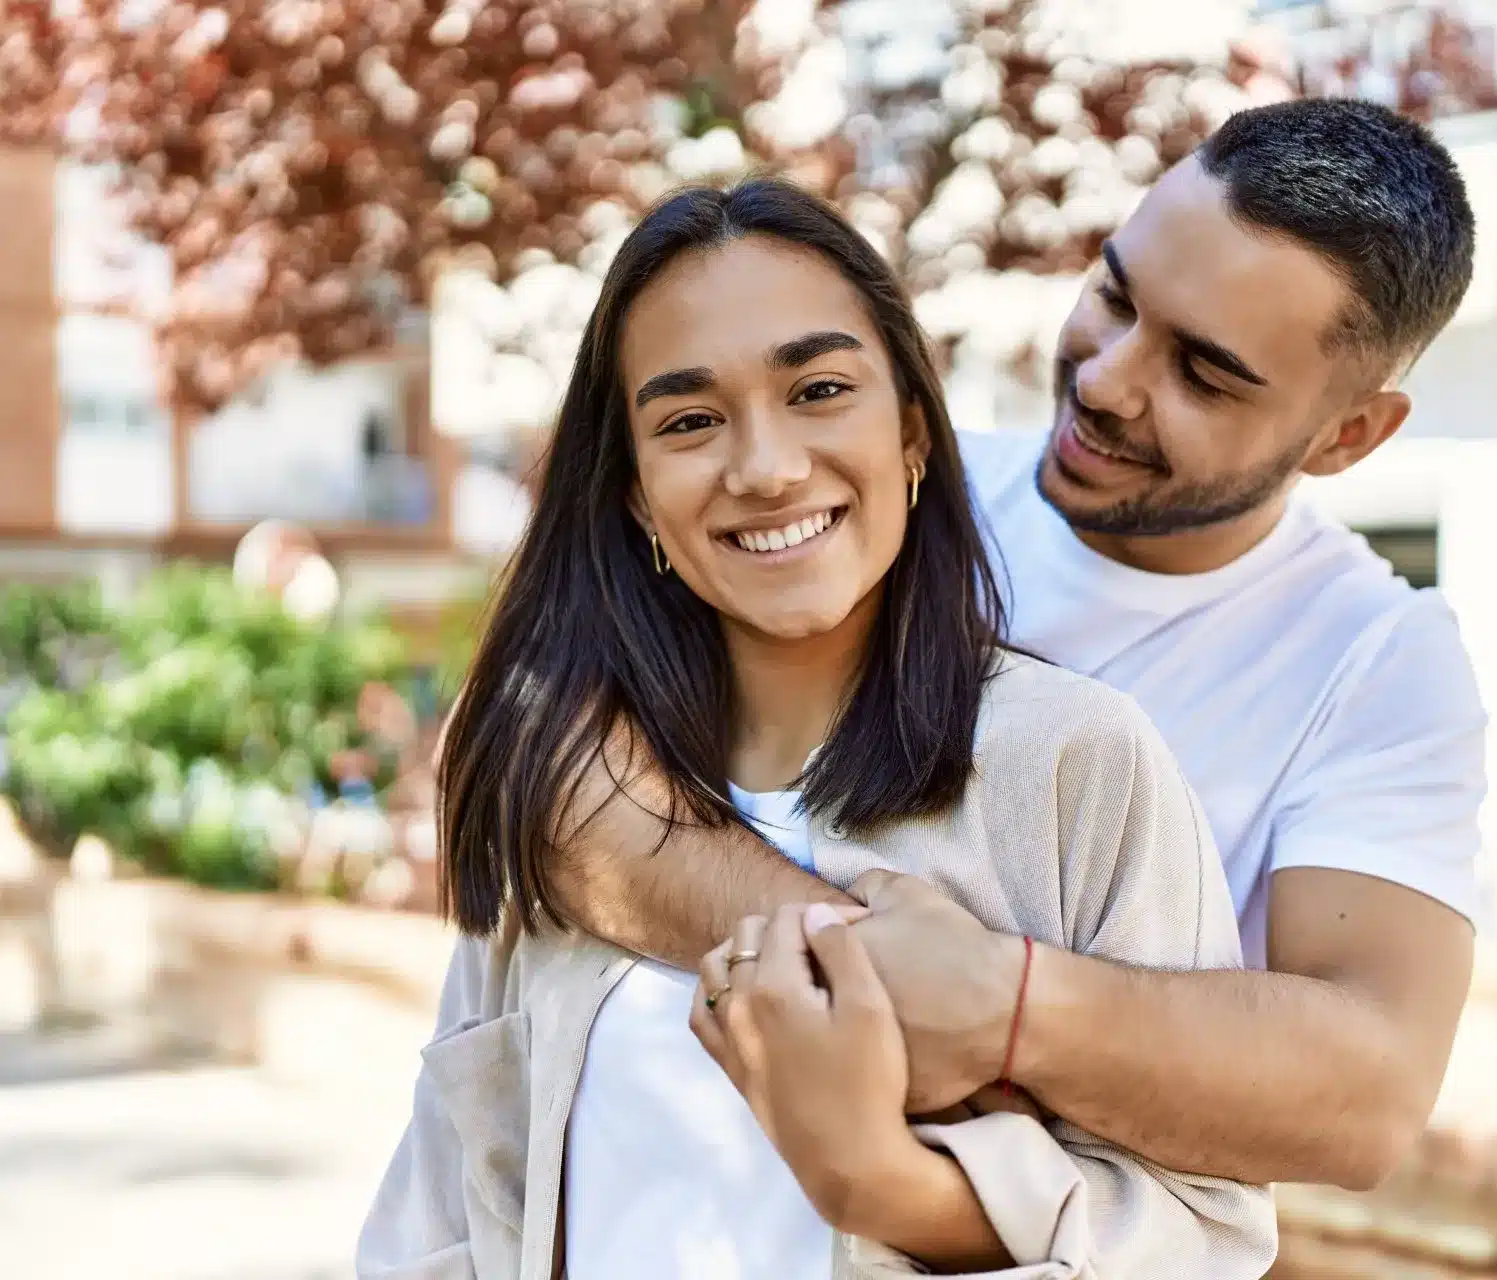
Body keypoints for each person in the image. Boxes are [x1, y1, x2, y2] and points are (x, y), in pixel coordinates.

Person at [552, 97, 1489, 1192]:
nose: (1105, 379)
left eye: (1203, 373)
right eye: (1115, 295)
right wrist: (875, 974)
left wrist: (1005, 1006)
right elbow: (555, 772)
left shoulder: (1375, 662)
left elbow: (1364, 1097)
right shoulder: (884, 499)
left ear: (1348, 435)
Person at [357, 180, 1279, 1279]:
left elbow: (1203, 1236)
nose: (765, 466)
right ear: (642, 497)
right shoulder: (559, 786)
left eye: (820, 388)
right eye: (690, 420)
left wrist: (884, 1186)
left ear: (914, 435)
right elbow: (444, 1214)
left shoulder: (1076, 764)